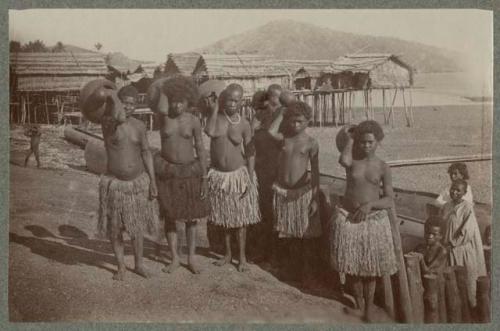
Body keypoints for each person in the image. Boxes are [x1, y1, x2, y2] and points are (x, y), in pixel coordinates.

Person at [331, 120, 398, 322]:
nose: (366, 146)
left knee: (370, 269)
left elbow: (389, 199)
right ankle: (358, 305)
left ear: (378, 142)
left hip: (372, 221)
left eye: (370, 142)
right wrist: (352, 137)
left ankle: (369, 308)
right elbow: (343, 160)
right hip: (350, 219)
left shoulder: (383, 167)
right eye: (363, 142)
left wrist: (370, 205)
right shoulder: (352, 161)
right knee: (352, 267)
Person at [96, 85, 159, 281]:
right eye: (125, 103)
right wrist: (114, 96)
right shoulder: (107, 123)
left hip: (137, 183)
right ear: (118, 103)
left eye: (132, 104)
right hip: (115, 184)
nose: (129, 107)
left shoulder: (140, 126)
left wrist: (153, 181)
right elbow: (120, 116)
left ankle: (139, 264)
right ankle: (121, 266)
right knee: (115, 228)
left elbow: (146, 153)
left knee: (136, 227)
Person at [153, 76, 209, 274]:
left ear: (189, 102)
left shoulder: (193, 121)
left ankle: (191, 257)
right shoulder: (163, 117)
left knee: (191, 217)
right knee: (170, 216)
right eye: (173, 100)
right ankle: (175, 258)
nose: (177, 105)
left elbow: (201, 149)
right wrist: (165, 87)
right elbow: (160, 107)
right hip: (167, 171)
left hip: (189, 171)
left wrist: (204, 177)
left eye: (181, 101)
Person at [204, 83, 260, 272]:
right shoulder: (216, 118)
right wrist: (214, 110)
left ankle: (242, 258)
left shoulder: (244, 123)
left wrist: (250, 179)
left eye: (237, 100)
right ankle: (228, 254)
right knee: (224, 217)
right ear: (224, 100)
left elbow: (251, 151)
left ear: (241, 101)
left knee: (241, 220)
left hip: (238, 175)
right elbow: (210, 132)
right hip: (219, 176)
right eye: (229, 100)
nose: (233, 104)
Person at [268, 101, 320, 286]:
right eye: (292, 121)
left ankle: (306, 273)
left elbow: (315, 172)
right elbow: (270, 132)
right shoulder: (284, 138)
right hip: (283, 192)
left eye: (300, 121)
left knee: (303, 235)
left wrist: (315, 198)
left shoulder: (311, 143)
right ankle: (289, 270)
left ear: (308, 121)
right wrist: (283, 112)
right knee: (286, 233)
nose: (295, 125)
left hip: (301, 194)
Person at [440, 179, 486, 309]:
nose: (454, 192)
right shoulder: (446, 206)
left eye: (458, 190)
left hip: (461, 250)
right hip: (448, 249)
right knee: (450, 282)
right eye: (452, 189)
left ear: (464, 192)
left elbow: (467, 231)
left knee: (466, 282)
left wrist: (452, 243)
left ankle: (470, 310)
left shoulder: (467, 208)